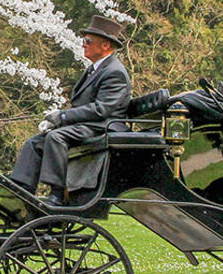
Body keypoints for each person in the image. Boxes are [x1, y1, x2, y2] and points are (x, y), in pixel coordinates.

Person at [9, 14, 132, 205]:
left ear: (106, 45)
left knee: (56, 137)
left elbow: (103, 109)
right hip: (88, 124)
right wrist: (58, 118)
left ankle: (57, 194)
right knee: (35, 142)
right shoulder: (94, 69)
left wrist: (64, 116)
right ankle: (21, 188)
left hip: (103, 126)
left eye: (88, 41)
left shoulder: (114, 72)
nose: (83, 44)